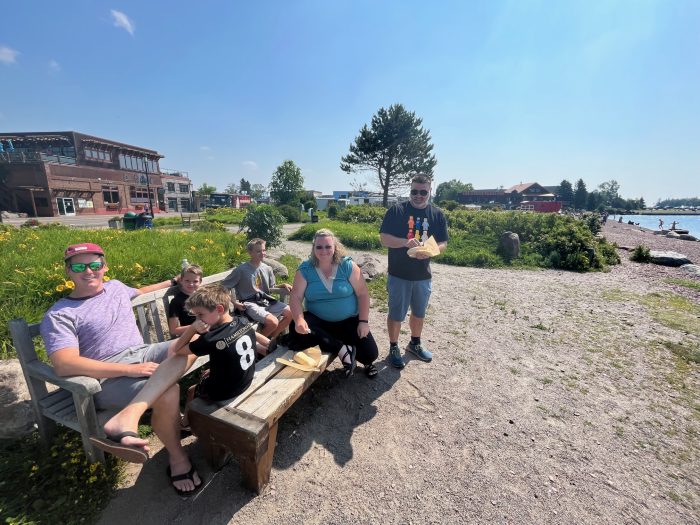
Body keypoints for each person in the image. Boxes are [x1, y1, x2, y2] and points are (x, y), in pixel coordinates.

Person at [39, 243, 202, 496]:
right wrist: (128, 370)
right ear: (68, 271)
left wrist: (172, 280)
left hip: (141, 353)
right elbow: (64, 364)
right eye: (79, 266)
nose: (88, 271)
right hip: (105, 377)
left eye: (95, 265)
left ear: (104, 267)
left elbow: (140, 290)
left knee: (192, 343)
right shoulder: (60, 315)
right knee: (169, 392)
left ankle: (129, 416)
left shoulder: (115, 287)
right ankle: (178, 458)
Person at [288, 229, 379, 378]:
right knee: (295, 327)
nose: (324, 251)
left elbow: (363, 293)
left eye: (328, 246)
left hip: (349, 321)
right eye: (319, 247)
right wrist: (299, 320)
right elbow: (296, 296)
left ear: (335, 247)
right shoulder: (305, 269)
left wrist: (363, 321)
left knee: (370, 355)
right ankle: (342, 349)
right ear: (313, 248)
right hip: (320, 323)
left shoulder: (347, 265)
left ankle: (357, 356)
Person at [379, 174, 448, 369]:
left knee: (419, 312)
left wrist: (430, 251)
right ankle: (393, 347)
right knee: (396, 313)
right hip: (398, 273)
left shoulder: (437, 214)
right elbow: (384, 238)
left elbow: (443, 243)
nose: (418, 195)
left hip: (423, 275)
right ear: (410, 191)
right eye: (414, 191)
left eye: (423, 192)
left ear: (429, 191)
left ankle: (414, 343)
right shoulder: (397, 211)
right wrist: (405, 243)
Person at [173, 284, 256, 419]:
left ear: (219, 309)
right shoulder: (243, 321)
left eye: (200, 314)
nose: (198, 320)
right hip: (245, 380)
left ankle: (186, 423)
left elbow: (178, 349)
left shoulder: (211, 338)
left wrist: (192, 329)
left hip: (226, 392)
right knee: (208, 373)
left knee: (191, 390)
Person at [223, 238, 292, 340]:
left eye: (264, 250)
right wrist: (235, 302)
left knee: (291, 312)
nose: (262, 253)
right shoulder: (241, 270)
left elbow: (271, 287)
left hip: (265, 300)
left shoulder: (267, 268)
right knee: (273, 322)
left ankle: (272, 338)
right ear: (250, 253)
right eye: (258, 251)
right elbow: (223, 287)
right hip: (249, 303)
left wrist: (282, 285)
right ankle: (258, 345)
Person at [168, 264, 203, 337]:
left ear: (200, 282)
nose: (191, 284)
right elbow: (173, 330)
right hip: (193, 336)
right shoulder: (176, 302)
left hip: (210, 331)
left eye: (195, 281)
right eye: (187, 281)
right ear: (181, 281)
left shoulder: (203, 296)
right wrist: (194, 327)